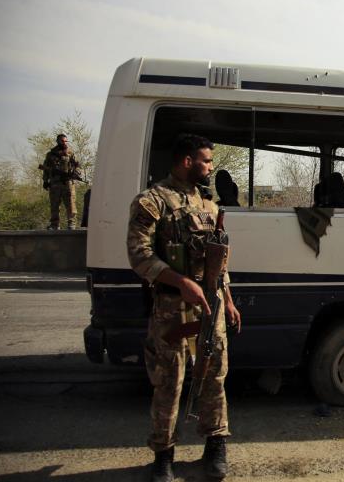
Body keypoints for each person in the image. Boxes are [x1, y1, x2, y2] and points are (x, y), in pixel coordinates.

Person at [127, 134, 242, 482]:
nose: (211, 166)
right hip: (172, 308)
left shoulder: (208, 204)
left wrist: (230, 300)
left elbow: (218, 262)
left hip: (211, 305)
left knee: (214, 378)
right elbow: (139, 255)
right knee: (170, 382)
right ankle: (163, 456)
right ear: (187, 161)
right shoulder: (152, 202)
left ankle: (216, 445)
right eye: (206, 160)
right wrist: (181, 282)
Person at [41, 134, 81, 229]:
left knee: (71, 204)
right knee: (54, 205)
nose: (64, 143)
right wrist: (45, 181)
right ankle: (54, 224)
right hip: (55, 183)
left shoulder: (70, 153)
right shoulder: (50, 154)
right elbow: (46, 168)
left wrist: (75, 173)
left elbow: (77, 165)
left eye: (66, 141)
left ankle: (71, 223)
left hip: (68, 183)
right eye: (62, 141)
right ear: (58, 141)